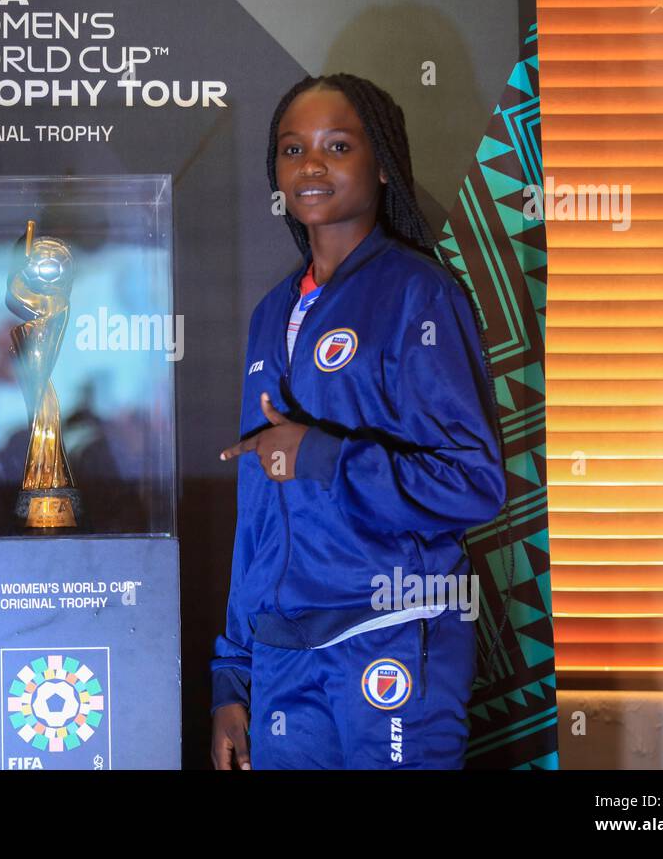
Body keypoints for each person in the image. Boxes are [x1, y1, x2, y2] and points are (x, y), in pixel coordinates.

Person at [211, 74, 507, 770]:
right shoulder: (269, 314)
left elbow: (474, 482)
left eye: (336, 145)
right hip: (284, 655)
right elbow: (258, 508)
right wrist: (232, 671)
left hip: (392, 635)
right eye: (291, 149)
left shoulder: (418, 295)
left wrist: (321, 455)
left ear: (381, 164)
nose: (310, 165)